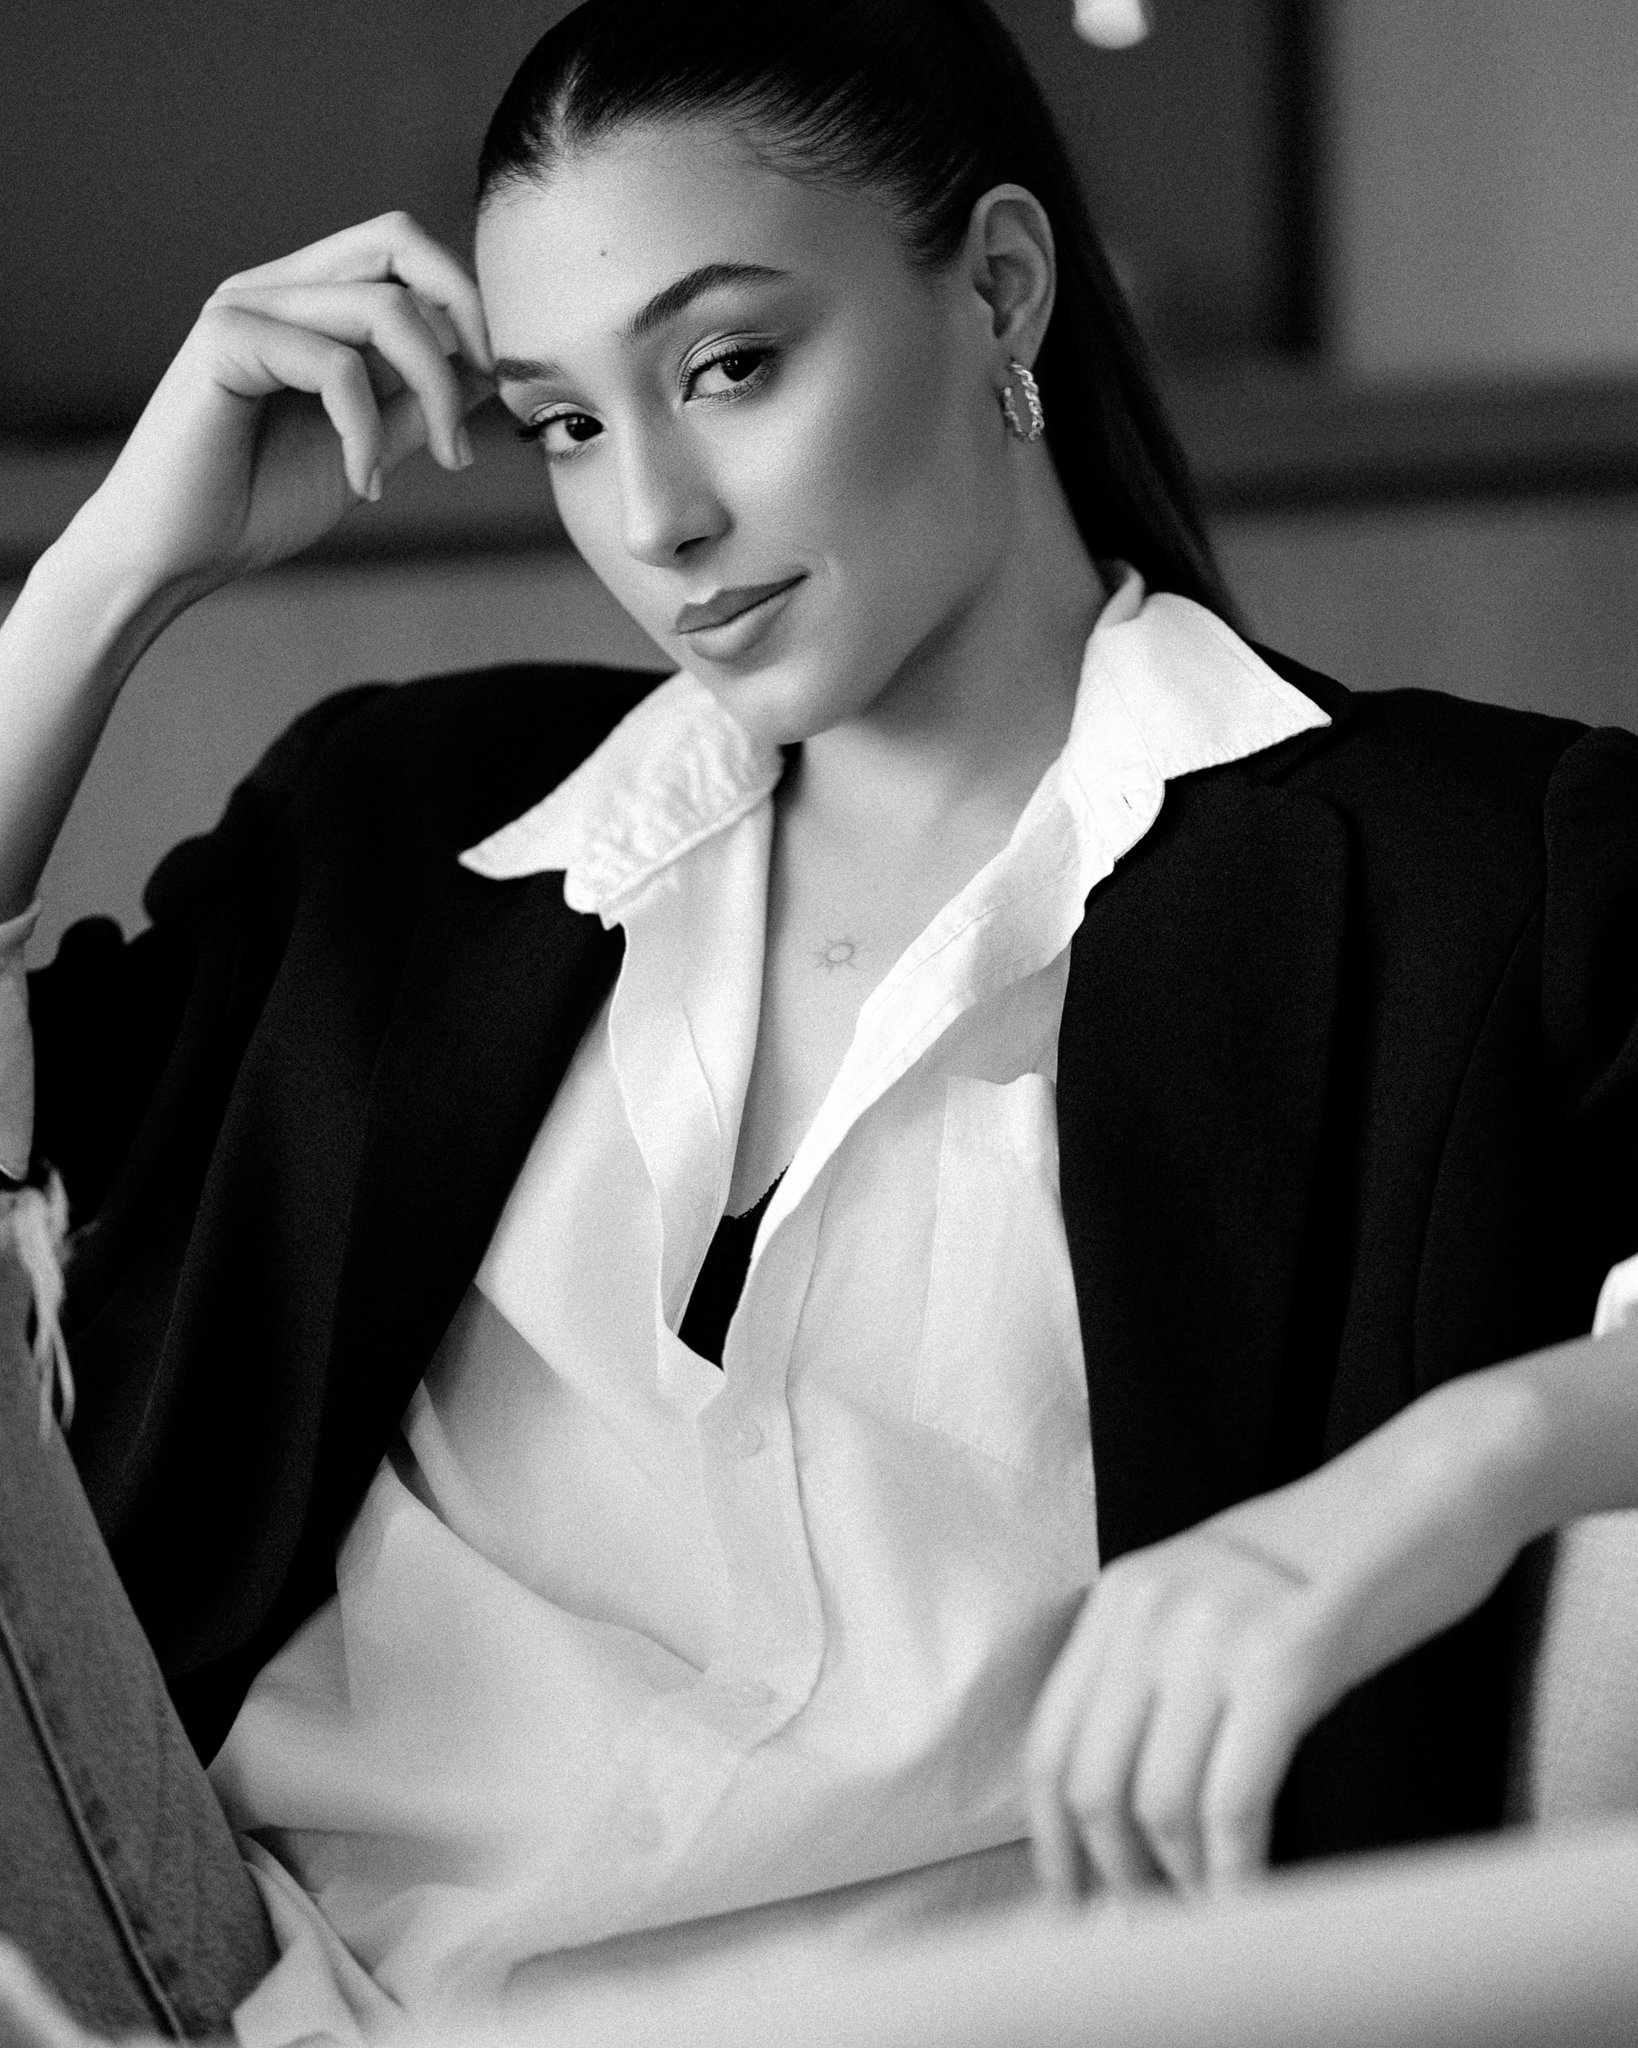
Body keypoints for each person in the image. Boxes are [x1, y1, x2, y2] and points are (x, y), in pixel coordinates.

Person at [3, 0, 1638, 2039]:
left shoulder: (1475, 869)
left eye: (731, 365)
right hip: (213, 1977)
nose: (657, 516)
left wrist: (1452, 1472)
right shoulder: (401, 836)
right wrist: (99, 587)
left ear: (1002, 292)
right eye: (567, 423)